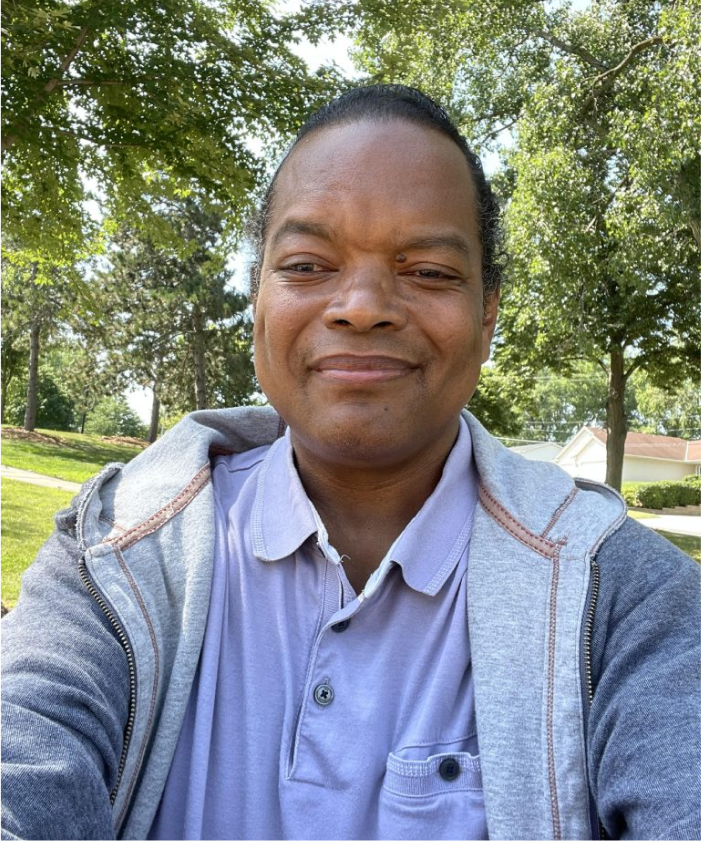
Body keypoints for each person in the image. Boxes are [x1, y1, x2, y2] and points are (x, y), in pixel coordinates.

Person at [1, 85, 700, 841]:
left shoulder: (626, 599)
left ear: (488, 310)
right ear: (257, 299)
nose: (362, 305)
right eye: (306, 264)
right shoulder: (111, 555)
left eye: (428, 270)